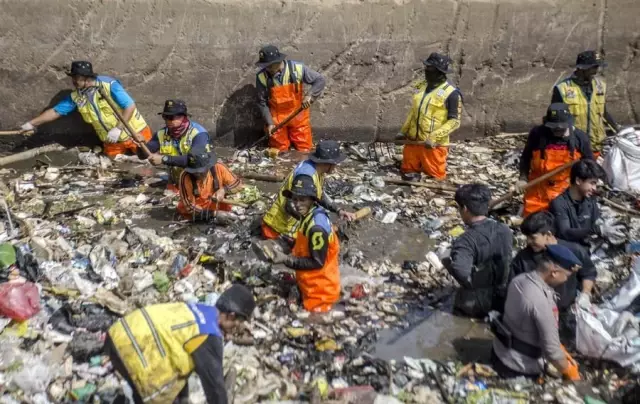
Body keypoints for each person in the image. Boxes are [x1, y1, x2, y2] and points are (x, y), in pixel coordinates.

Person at [105, 284, 255, 404]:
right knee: (153, 392)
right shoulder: (210, 334)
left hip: (118, 334)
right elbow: (215, 389)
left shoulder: (197, 309)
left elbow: (178, 356)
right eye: (238, 323)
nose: (236, 328)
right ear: (231, 315)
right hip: (133, 351)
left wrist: (183, 398)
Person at [21, 61, 152, 158]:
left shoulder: (109, 85)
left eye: (76, 78)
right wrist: (31, 124)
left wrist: (118, 128)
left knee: (148, 162)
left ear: (87, 79)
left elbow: (130, 106)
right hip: (112, 141)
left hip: (136, 134)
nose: (73, 82)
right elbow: (55, 112)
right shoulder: (77, 96)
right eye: (73, 78)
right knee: (115, 167)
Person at [491, 244, 582, 381]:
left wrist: (560, 347)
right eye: (566, 276)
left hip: (499, 353)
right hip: (519, 368)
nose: (566, 280)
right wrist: (571, 374)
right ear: (554, 272)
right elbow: (552, 352)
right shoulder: (542, 302)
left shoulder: (519, 280)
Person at [510, 211, 596, 344]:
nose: (528, 242)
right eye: (527, 237)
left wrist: (585, 293)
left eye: (533, 238)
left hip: (568, 312)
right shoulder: (523, 258)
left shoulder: (574, 251)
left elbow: (588, 272)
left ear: (548, 235)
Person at [267, 176, 340, 312]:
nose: (297, 204)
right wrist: (292, 242)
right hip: (309, 284)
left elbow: (317, 262)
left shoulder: (316, 227)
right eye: (295, 199)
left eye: (302, 200)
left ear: (312, 200)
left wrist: (286, 259)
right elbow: (309, 246)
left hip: (320, 294)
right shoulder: (309, 215)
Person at [442, 184, 513, 318]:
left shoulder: (465, 241)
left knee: (461, 307)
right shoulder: (504, 229)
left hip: (477, 302)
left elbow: (462, 273)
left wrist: (447, 261)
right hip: (505, 296)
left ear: (465, 208)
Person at [262, 140, 356, 239]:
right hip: (277, 230)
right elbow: (290, 205)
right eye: (335, 163)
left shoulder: (317, 170)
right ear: (328, 163)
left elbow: (320, 194)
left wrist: (339, 210)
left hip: (288, 228)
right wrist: (313, 224)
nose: (336, 166)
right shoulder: (305, 177)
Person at [515, 103, 594, 217]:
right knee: (533, 224)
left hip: (566, 191)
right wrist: (523, 178)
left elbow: (590, 165)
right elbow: (526, 158)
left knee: (565, 222)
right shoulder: (537, 134)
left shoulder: (580, 137)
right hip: (538, 191)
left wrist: (587, 185)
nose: (557, 130)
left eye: (561, 128)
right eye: (554, 127)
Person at [397, 52, 462, 181]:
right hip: (413, 140)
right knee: (407, 172)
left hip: (433, 145)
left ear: (439, 72)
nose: (426, 71)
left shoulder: (452, 94)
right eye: (426, 67)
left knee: (435, 177)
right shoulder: (420, 85)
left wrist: (434, 137)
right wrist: (403, 131)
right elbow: (413, 111)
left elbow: (454, 121)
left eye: (430, 68)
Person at [256, 45, 325, 152]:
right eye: (264, 66)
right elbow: (262, 102)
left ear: (278, 62)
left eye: (269, 66)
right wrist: (269, 123)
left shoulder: (297, 68)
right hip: (277, 120)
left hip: (298, 115)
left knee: (305, 149)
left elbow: (319, 80)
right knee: (279, 150)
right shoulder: (261, 77)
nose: (266, 69)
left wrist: (310, 95)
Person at [552, 50, 617, 155]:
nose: (596, 71)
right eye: (594, 67)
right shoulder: (562, 89)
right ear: (582, 68)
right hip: (575, 149)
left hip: (597, 147)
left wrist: (618, 129)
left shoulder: (600, 86)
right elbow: (555, 120)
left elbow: (604, 112)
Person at [550, 159, 627, 246]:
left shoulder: (590, 199)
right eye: (592, 183)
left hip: (589, 245)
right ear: (578, 180)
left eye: (595, 184)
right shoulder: (559, 203)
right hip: (570, 249)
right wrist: (598, 230)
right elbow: (565, 232)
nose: (594, 188)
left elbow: (596, 220)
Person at [143, 99, 211, 191]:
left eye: (171, 118)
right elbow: (142, 154)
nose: (168, 121)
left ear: (183, 117)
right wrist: (140, 144)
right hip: (177, 182)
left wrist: (164, 159)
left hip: (200, 182)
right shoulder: (162, 133)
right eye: (165, 117)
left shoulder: (198, 134)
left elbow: (194, 160)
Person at [177, 148, 243, 220]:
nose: (198, 174)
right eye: (194, 171)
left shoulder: (218, 167)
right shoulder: (185, 176)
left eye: (201, 171)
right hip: (197, 213)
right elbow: (189, 207)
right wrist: (213, 214)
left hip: (218, 207)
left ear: (208, 166)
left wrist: (223, 190)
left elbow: (238, 183)